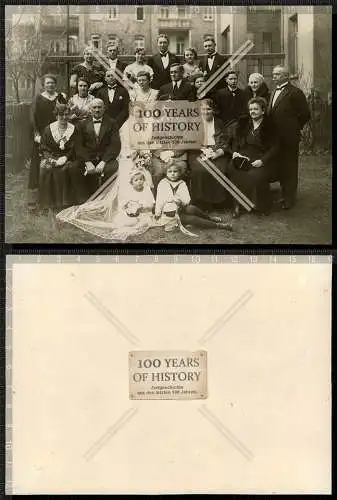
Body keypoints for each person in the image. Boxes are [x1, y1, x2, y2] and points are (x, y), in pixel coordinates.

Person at [56, 152, 156, 242]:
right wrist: (128, 207)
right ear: (132, 182)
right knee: (121, 219)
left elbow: (150, 205)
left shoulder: (146, 189)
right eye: (136, 180)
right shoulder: (129, 189)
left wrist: (141, 208)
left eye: (141, 180)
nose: (139, 182)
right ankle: (118, 226)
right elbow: (124, 203)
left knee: (141, 223)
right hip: (130, 209)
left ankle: (123, 228)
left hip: (143, 213)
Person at [227, 97, 279, 217]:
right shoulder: (244, 123)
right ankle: (237, 204)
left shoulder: (270, 126)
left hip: (261, 157)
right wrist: (235, 152)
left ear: (263, 111)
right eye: (250, 109)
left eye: (256, 109)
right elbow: (236, 141)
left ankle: (259, 206)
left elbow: (276, 147)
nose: (252, 111)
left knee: (255, 175)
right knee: (233, 169)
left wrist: (262, 160)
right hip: (243, 155)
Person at [267, 65, 310, 209]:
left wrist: (293, 127)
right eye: (274, 74)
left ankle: (290, 198)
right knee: (280, 165)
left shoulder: (295, 92)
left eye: (277, 74)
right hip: (275, 138)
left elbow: (305, 114)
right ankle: (284, 194)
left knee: (290, 166)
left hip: (289, 137)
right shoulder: (273, 91)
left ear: (286, 76)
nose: (274, 76)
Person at [155, 163, 233, 232]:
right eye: (170, 172)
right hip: (170, 214)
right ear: (166, 173)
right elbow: (159, 200)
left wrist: (181, 202)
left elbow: (187, 199)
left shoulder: (182, 183)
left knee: (191, 208)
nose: (172, 174)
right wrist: (157, 214)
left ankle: (209, 218)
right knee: (192, 219)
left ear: (179, 173)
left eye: (175, 172)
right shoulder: (163, 183)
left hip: (180, 207)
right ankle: (218, 225)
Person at [68, 98, 121, 201]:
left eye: (99, 107)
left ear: (104, 109)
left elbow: (115, 145)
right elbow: (79, 145)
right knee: (74, 168)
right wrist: (87, 161)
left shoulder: (112, 123)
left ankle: (105, 200)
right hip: (88, 158)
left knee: (112, 168)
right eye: (94, 107)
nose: (97, 110)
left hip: (105, 158)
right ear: (90, 110)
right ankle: (82, 200)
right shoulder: (82, 124)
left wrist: (104, 161)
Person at [28, 73, 66, 211]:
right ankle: (39, 195)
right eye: (47, 83)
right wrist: (36, 133)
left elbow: (64, 113)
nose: (50, 85)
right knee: (41, 163)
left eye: (52, 83)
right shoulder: (38, 98)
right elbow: (33, 117)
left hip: (56, 134)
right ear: (43, 85)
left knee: (55, 161)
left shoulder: (60, 97)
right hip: (42, 135)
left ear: (55, 84)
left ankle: (55, 195)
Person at [188, 99, 231, 211]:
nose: (206, 112)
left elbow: (226, 140)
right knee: (200, 170)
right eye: (203, 109)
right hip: (198, 151)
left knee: (220, 169)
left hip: (216, 151)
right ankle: (202, 203)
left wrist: (217, 151)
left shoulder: (219, 122)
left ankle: (219, 203)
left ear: (214, 110)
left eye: (209, 109)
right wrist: (202, 149)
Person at [39, 95, 77, 209]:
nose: (64, 117)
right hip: (50, 156)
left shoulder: (73, 129)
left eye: (66, 114)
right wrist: (50, 158)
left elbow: (74, 148)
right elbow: (44, 147)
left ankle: (63, 203)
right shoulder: (48, 129)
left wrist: (65, 158)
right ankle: (47, 203)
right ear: (56, 116)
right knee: (46, 168)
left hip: (68, 157)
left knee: (64, 169)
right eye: (61, 114)